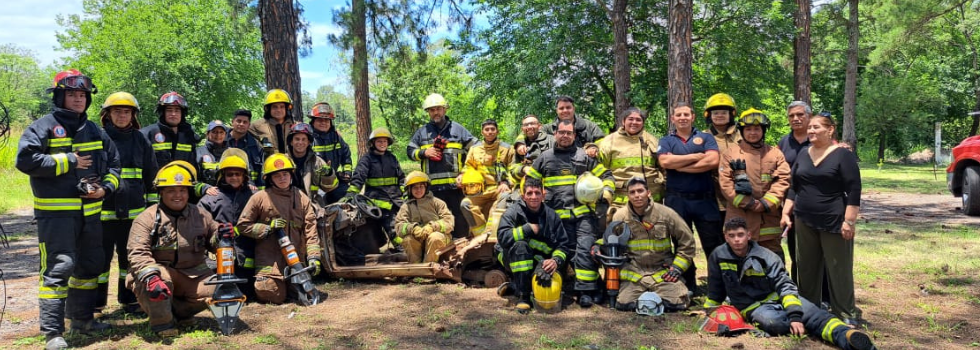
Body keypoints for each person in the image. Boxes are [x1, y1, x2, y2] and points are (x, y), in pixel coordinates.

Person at [16, 69, 121, 350]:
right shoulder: (43, 127)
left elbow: (114, 165)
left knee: (90, 266)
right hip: (57, 215)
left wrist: (105, 189)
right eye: (72, 94)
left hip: (90, 215)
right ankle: (53, 333)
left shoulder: (95, 130)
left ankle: (83, 320)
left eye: (82, 95)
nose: (78, 99)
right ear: (60, 96)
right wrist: (68, 160)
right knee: (59, 268)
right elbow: (25, 160)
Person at [704, 218, 877, 350]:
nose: (736, 240)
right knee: (774, 323)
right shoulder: (718, 256)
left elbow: (785, 286)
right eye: (731, 236)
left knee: (813, 313)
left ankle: (848, 336)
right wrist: (709, 311)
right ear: (725, 237)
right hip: (752, 306)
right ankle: (810, 326)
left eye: (740, 235)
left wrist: (795, 316)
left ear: (749, 235)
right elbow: (715, 287)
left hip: (777, 298)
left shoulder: (767, 256)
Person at [781, 114, 864, 326]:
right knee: (806, 267)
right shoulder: (802, 153)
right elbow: (794, 186)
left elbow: (854, 190)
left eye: (816, 127)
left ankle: (845, 312)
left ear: (830, 130)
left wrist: (849, 221)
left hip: (834, 220)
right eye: (810, 128)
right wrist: (786, 212)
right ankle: (810, 310)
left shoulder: (842, 155)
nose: (811, 131)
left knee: (838, 268)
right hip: (804, 219)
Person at [127, 162, 224, 337]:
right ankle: (162, 323)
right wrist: (150, 277)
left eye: (182, 190)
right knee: (157, 279)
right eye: (171, 190)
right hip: (161, 275)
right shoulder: (146, 218)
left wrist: (222, 235)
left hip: (192, 274)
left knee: (218, 287)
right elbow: (137, 253)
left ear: (189, 192)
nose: (178, 195)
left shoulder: (201, 215)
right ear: (161, 193)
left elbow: (213, 239)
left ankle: (180, 313)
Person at [527, 119, 615, 307]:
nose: (565, 136)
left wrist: (606, 194)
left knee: (585, 249)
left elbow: (606, 175)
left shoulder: (585, 157)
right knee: (565, 252)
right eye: (562, 132)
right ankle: (581, 287)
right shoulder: (545, 157)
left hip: (583, 216)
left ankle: (587, 291)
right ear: (555, 134)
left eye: (569, 133)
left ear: (574, 136)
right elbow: (530, 182)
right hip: (555, 219)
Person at [96, 92, 158, 316]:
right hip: (103, 212)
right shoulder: (98, 138)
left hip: (134, 214)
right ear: (107, 114)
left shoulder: (141, 139)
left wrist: (152, 212)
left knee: (129, 260)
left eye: (126, 111)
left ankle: (130, 300)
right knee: (99, 262)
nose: (122, 115)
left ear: (133, 115)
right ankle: (96, 304)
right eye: (117, 111)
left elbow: (151, 176)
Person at [236, 154, 322, 304]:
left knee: (302, 292)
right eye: (277, 175)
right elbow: (243, 225)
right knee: (271, 293)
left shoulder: (301, 197)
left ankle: (291, 288)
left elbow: (311, 229)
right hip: (270, 262)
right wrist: (267, 228)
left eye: (285, 174)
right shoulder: (260, 197)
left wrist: (314, 256)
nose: (282, 178)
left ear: (291, 175)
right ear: (269, 179)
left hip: (295, 260)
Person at [657, 103, 723, 295]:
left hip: (704, 199)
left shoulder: (706, 137)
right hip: (677, 200)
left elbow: (712, 161)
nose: (683, 117)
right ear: (673, 118)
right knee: (681, 243)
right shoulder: (667, 140)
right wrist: (696, 156)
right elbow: (665, 161)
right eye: (679, 115)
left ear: (693, 117)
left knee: (713, 243)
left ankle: (718, 287)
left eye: (687, 114)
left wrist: (679, 166)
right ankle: (688, 286)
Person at [607, 177, 695, 312]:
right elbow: (609, 241)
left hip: (662, 272)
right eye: (632, 192)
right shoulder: (620, 216)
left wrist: (677, 268)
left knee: (678, 304)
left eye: (640, 191)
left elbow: (687, 242)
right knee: (623, 304)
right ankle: (647, 297)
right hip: (634, 273)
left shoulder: (666, 214)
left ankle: (674, 293)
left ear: (648, 193)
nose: (637, 195)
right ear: (628, 196)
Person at [718, 109, 790, 259]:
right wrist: (748, 203)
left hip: (768, 219)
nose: (753, 132)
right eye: (748, 129)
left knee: (773, 261)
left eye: (757, 129)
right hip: (739, 216)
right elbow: (726, 184)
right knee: (738, 259)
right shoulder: (730, 153)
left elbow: (783, 181)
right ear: (742, 131)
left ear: (763, 131)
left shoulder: (775, 154)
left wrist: (765, 203)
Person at [495, 177, 574, 312]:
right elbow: (502, 238)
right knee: (521, 246)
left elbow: (563, 245)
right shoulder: (513, 212)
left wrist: (555, 261)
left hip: (540, 262)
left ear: (543, 195)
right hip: (515, 259)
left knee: (546, 288)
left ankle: (515, 286)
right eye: (529, 193)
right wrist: (526, 229)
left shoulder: (552, 216)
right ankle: (523, 297)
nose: (534, 197)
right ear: (523, 196)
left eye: (537, 193)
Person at [407, 93, 476, 238]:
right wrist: (424, 152)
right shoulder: (422, 132)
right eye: (431, 110)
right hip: (432, 190)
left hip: (455, 188)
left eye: (438, 109)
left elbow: (477, 149)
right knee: (437, 224)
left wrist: (466, 173)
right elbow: (410, 151)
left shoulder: (458, 130)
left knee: (460, 224)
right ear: (428, 112)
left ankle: (461, 253)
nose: (435, 113)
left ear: (445, 109)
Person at [588, 107, 665, 223]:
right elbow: (596, 165)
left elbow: (664, 166)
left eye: (638, 120)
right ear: (623, 121)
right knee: (621, 235)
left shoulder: (652, 140)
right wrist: (590, 148)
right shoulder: (610, 141)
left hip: (651, 202)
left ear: (643, 122)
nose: (634, 122)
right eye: (631, 119)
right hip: (620, 204)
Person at [198, 151, 258, 299]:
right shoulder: (211, 199)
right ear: (222, 176)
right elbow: (198, 225)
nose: (234, 177)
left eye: (238, 174)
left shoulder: (253, 195)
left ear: (244, 176)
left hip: (246, 253)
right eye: (230, 174)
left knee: (249, 293)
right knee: (217, 292)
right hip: (218, 254)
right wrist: (216, 233)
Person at [141, 91, 202, 202]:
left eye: (177, 110)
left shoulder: (188, 136)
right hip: (155, 195)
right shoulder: (148, 134)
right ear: (162, 112)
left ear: (182, 113)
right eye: (169, 110)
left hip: (182, 194)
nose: (173, 114)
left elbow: (193, 167)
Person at [460, 119, 515, 236]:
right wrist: (462, 176)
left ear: (497, 131)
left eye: (492, 129)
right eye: (487, 129)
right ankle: (479, 234)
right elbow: (468, 167)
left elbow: (513, 170)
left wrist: (507, 182)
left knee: (504, 198)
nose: (490, 132)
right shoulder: (474, 149)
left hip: (499, 188)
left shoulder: (507, 148)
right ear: (482, 132)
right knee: (465, 204)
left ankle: (490, 232)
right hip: (480, 190)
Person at [350, 127, 406, 242]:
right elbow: (359, 177)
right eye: (379, 141)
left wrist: (406, 192)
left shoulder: (392, 158)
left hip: (395, 200)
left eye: (385, 141)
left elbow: (401, 178)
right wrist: (351, 194)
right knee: (392, 226)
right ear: (373, 143)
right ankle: (401, 247)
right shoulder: (366, 159)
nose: (382, 144)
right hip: (377, 200)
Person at [776, 101, 811, 281]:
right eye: (791, 116)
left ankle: (824, 294)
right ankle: (798, 288)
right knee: (794, 248)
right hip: (790, 203)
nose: (796, 119)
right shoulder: (783, 142)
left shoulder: (817, 139)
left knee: (815, 250)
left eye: (800, 115)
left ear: (809, 116)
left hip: (814, 203)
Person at [393, 171, 455, 263]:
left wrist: (433, 227)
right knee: (408, 239)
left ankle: (427, 267)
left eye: (421, 186)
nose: (418, 190)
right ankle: (416, 269)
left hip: (437, 238)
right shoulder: (406, 206)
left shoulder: (437, 203)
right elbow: (399, 226)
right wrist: (413, 229)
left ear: (426, 187)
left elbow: (449, 222)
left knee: (435, 237)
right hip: (417, 240)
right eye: (415, 187)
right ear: (409, 189)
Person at [704, 93, 742, 219]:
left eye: (723, 112)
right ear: (709, 115)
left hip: (741, 192)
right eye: (715, 113)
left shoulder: (743, 135)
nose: (720, 115)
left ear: (731, 114)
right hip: (714, 195)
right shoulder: (703, 137)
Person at [308, 102, 353, 204]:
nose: (323, 122)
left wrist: (347, 172)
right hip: (312, 184)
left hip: (333, 179)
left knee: (349, 199)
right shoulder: (307, 138)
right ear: (313, 121)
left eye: (327, 120)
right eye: (320, 120)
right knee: (319, 208)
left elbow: (346, 155)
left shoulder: (336, 137)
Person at [287, 122, 339, 205]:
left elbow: (329, 188)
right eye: (297, 139)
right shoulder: (284, 161)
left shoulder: (317, 162)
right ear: (291, 142)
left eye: (304, 139)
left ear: (308, 143)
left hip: (312, 203)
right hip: (287, 204)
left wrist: (328, 175)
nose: (300, 142)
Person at [249, 89, 297, 155]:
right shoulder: (256, 126)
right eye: (275, 107)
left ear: (287, 108)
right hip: (267, 164)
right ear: (268, 109)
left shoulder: (296, 126)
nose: (279, 110)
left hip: (292, 163)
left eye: (282, 107)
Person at [226, 109, 265, 188]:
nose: (241, 124)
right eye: (238, 121)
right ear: (232, 122)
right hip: (224, 188)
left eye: (245, 122)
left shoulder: (256, 146)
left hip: (249, 189)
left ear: (249, 125)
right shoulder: (221, 140)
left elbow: (261, 171)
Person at [511, 114, 554, 178]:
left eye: (532, 124)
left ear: (539, 126)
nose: (529, 127)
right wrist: (523, 169)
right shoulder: (520, 146)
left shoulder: (552, 140)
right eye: (526, 125)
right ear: (522, 129)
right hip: (530, 185)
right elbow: (513, 169)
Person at [196, 120, 230, 186]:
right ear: (207, 134)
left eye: (221, 132)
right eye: (214, 132)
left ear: (225, 135)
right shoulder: (198, 152)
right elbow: (194, 179)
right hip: (206, 193)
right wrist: (205, 188)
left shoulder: (231, 153)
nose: (218, 135)